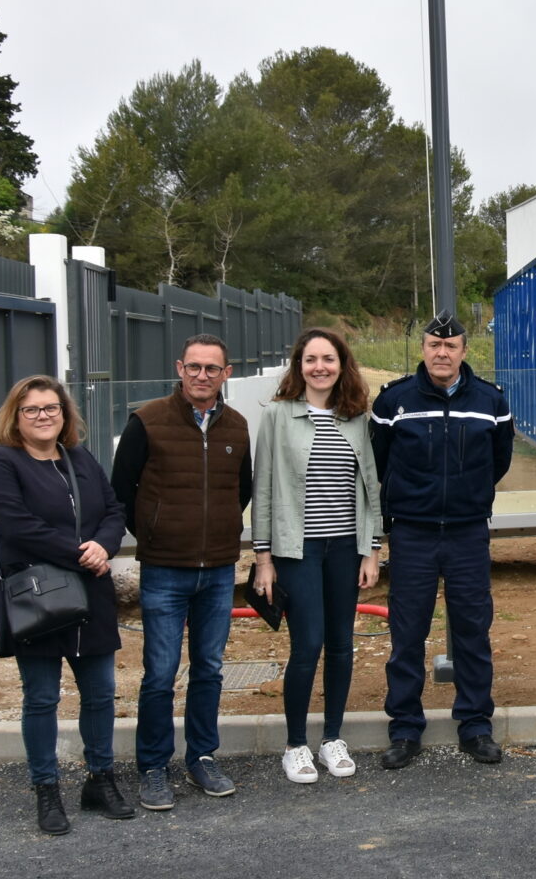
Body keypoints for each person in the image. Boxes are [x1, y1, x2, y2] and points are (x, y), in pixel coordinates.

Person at [0, 375, 131, 834]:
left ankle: (100, 779)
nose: (43, 416)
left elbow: (114, 510)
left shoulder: (79, 459)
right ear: (15, 417)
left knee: (101, 694)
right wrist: (80, 553)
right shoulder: (0, 463)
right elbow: (16, 525)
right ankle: (46, 789)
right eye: (32, 410)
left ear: (65, 415)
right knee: (42, 698)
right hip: (39, 596)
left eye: (51, 408)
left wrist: (103, 545)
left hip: (92, 593)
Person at [112, 332, 252, 811]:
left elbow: (243, 490)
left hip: (217, 571)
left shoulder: (236, 426)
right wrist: (153, 532)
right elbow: (121, 489)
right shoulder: (146, 421)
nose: (202, 376)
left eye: (212, 368)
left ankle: (203, 757)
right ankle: (153, 766)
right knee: (160, 673)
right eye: (194, 367)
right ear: (179, 368)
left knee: (209, 670)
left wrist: (219, 532)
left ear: (226, 374)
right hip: (164, 572)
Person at [370, 311, 514, 769]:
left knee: (473, 629)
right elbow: (378, 460)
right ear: (424, 349)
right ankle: (406, 728)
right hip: (412, 532)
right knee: (407, 632)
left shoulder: (490, 400)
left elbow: (500, 460)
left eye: (451, 346)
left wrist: (470, 497)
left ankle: (474, 724)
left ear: (464, 351)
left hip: (468, 533)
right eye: (434, 344)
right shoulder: (396, 400)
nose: (442, 352)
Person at [252, 328, 382, 784]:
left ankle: (331, 738)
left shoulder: (357, 419)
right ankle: (295, 745)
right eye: (311, 359)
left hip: (346, 548)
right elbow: (263, 488)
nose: (320, 367)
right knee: (307, 645)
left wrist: (372, 550)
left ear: (342, 364)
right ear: (299, 366)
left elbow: (370, 489)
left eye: (329, 359)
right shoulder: (278, 417)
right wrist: (263, 557)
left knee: (342, 646)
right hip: (298, 550)